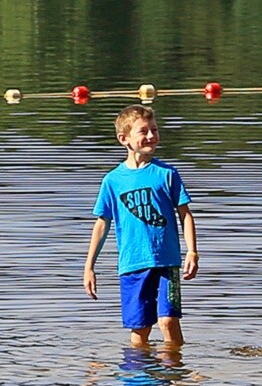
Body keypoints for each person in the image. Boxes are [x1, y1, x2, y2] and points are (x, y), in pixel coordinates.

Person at [83, 102, 199, 351]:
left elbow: (185, 214)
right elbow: (102, 223)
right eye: (143, 131)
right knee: (140, 328)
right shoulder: (113, 180)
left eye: (154, 130)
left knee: (168, 321)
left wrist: (192, 251)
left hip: (166, 261)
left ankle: (175, 368)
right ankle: (139, 370)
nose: (151, 136)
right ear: (124, 139)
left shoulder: (166, 174)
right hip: (132, 263)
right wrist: (89, 266)